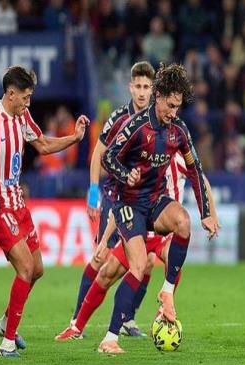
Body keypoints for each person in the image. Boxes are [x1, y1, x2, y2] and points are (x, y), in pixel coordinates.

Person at [0, 66, 89, 357]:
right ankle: (7, 343)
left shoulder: (22, 116)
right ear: (11, 94)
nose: (28, 103)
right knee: (25, 268)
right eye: (25, 97)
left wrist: (74, 138)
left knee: (37, 269)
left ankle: (6, 321)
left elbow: (42, 144)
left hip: (18, 204)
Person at [98, 63, 218, 353]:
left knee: (183, 222)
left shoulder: (179, 130)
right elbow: (108, 158)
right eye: (171, 106)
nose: (174, 112)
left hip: (154, 200)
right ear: (159, 97)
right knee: (139, 266)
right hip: (128, 202)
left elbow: (195, 170)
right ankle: (110, 338)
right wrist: (125, 174)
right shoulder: (136, 126)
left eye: (178, 107)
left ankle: (167, 293)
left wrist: (206, 214)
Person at [56, 152, 220, 353]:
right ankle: (77, 326)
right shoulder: (143, 159)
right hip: (139, 230)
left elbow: (202, 180)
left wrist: (211, 214)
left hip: (165, 230)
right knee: (107, 273)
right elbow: (125, 200)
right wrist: (106, 238)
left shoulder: (178, 157)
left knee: (173, 257)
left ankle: (162, 310)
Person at [64, 61, 155, 337]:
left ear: (152, 89)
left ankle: (127, 319)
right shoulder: (118, 118)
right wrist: (93, 193)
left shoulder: (157, 120)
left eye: (147, 87)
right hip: (116, 197)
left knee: (146, 261)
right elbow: (98, 154)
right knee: (102, 256)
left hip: (142, 200)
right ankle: (76, 321)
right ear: (130, 87)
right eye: (138, 86)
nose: (142, 92)